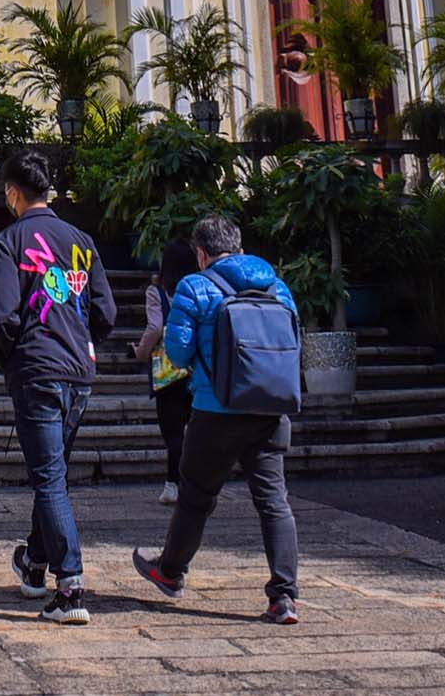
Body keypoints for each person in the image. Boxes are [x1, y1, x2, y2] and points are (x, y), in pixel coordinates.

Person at [133, 210, 304, 625]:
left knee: (196, 496)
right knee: (273, 501)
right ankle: (284, 597)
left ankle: (170, 572)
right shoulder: (276, 285)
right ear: (240, 246)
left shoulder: (195, 286)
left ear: (201, 253)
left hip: (215, 411)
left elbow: (176, 351)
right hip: (270, 408)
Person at [0, 148, 116, 626]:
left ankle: (70, 584)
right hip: (79, 372)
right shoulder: (81, 240)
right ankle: (35, 563)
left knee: (49, 477)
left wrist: (8, 353)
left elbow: (3, 314)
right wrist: (84, 339)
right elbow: (105, 313)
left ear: (14, 193)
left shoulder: (10, 241)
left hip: (37, 368)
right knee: (54, 472)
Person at [133, 234, 201, 505]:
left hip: (168, 371)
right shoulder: (198, 287)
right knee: (194, 429)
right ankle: (191, 482)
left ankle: (173, 484)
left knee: (173, 433)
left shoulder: (157, 292)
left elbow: (154, 327)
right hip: (197, 367)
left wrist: (140, 352)